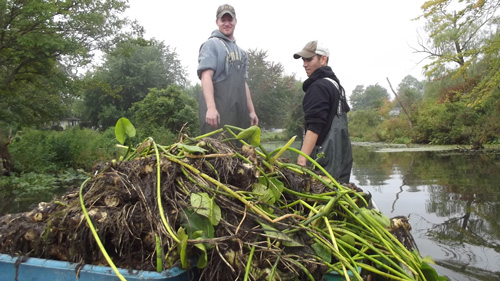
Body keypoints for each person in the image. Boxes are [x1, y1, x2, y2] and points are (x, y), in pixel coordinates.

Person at [293, 40, 353, 183]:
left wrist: (302, 161)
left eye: (309, 59)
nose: (304, 64)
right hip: (342, 160)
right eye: (303, 59)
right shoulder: (335, 85)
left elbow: (315, 126)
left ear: (323, 59)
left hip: (322, 162)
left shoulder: (318, 87)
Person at [197, 4, 258, 135]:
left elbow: (243, 83)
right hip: (218, 115)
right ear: (217, 22)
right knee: (217, 152)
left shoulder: (242, 52)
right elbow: (205, 77)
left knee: (239, 152)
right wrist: (211, 108)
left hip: (238, 115)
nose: (226, 23)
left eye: (230, 20)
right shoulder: (211, 45)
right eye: (223, 20)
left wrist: (251, 111)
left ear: (235, 21)